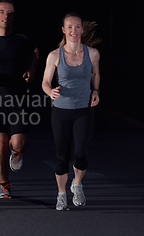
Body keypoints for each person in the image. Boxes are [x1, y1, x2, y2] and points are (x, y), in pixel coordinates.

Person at [0, 0, 39, 199]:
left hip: (19, 98)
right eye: (1, 12)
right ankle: (4, 185)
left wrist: (31, 69)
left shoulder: (22, 38)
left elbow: (35, 53)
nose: (5, 16)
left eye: (9, 13)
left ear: (14, 17)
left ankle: (17, 151)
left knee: (19, 143)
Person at [42, 12, 101, 211]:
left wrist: (96, 91)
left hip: (84, 110)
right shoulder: (54, 55)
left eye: (77, 27)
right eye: (69, 27)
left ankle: (77, 185)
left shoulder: (92, 54)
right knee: (62, 156)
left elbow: (96, 73)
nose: (73, 31)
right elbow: (45, 82)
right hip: (61, 111)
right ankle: (61, 194)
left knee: (81, 154)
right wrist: (50, 91)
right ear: (63, 30)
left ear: (82, 29)